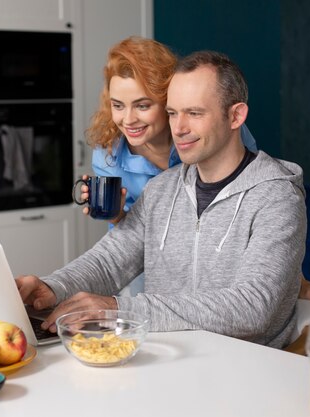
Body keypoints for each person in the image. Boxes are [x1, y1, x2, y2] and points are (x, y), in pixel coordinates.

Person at [18, 50, 307, 348]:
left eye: (194, 113)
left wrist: (118, 309)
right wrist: (51, 288)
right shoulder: (162, 189)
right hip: (169, 359)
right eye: (172, 113)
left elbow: (253, 308)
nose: (179, 128)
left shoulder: (277, 196)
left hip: (248, 366)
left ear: (235, 116)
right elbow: (109, 262)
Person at [82, 36, 258, 296]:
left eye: (142, 105)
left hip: (214, 257)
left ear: (168, 101)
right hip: (147, 263)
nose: (128, 120)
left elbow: (256, 200)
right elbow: (129, 241)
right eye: (118, 106)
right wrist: (117, 215)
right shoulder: (109, 156)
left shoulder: (212, 136)